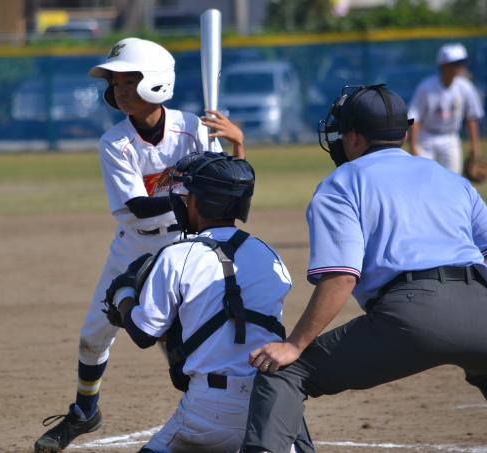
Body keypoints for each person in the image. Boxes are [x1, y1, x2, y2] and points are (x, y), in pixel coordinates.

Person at [240, 85, 487, 453]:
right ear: (405, 134)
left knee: (286, 373)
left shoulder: (341, 184)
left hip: (413, 315)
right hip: (482, 306)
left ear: (353, 137)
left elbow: (341, 276)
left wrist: (293, 345)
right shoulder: (451, 179)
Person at [34, 38, 245, 453]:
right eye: (115, 83)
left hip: (185, 245)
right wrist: (190, 194)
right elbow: (137, 207)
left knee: (179, 346)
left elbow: (230, 184)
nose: (120, 91)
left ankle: (216, 413)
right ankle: (84, 411)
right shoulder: (115, 142)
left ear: (157, 82)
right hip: (133, 247)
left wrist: (236, 144)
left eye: (130, 81)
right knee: (93, 336)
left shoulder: (193, 127)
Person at [103, 151, 314, 453]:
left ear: (196, 202)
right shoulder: (268, 253)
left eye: (187, 194)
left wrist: (122, 296)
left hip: (205, 411)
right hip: (268, 405)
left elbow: (144, 334)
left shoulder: (176, 255)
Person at [408, 43, 484, 174]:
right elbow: (415, 118)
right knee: (423, 176)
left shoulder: (465, 87)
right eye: (456, 63)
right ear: (443, 65)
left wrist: (475, 147)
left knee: (454, 177)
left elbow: (471, 117)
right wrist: (413, 147)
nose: (461, 66)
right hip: (426, 136)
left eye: (462, 62)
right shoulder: (426, 87)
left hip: (450, 137)